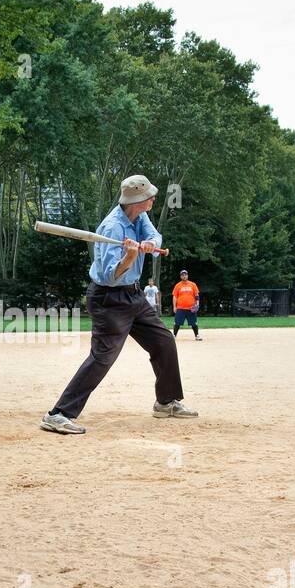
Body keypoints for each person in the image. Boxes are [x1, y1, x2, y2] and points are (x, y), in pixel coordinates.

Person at [40, 175, 197, 435]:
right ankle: (58, 414)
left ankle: (166, 401)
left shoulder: (139, 216)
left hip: (133, 296)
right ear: (138, 200)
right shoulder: (112, 227)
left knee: (164, 341)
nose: (153, 199)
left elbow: (155, 236)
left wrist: (149, 244)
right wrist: (129, 257)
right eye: (150, 196)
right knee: (103, 358)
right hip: (109, 299)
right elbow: (112, 274)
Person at [171, 269, 202, 341]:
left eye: (185, 275)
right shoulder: (178, 285)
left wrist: (197, 304)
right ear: (180, 276)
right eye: (182, 275)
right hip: (180, 308)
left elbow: (196, 295)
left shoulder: (193, 284)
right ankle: (174, 336)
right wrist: (174, 306)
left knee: (194, 323)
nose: (184, 276)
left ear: (187, 275)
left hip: (191, 308)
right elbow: (174, 296)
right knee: (177, 322)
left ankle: (197, 335)